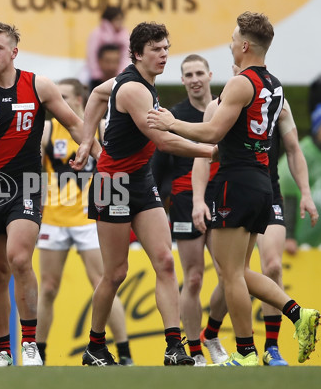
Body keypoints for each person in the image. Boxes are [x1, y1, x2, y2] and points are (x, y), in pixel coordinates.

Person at [147, 11, 321, 366]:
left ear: (244, 45)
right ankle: (296, 314)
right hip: (260, 183)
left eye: (232, 38)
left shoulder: (240, 84)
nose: (229, 44)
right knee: (239, 271)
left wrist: (171, 123)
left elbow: (212, 135)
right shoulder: (275, 84)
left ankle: (245, 351)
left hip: (235, 182)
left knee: (229, 276)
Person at [0, 20, 101, 367]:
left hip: (28, 185)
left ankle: (30, 345)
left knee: (19, 258)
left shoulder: (38, 85)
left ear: (13, 52)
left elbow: (76, 123)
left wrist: (100, 157)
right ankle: (3, 350)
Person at [72, 22, 218, 367]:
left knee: (165, 262)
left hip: (140, 179)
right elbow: (164, 141)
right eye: (156, 49)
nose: (164, 54)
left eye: (166, 48)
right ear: (137, 54)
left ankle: (173, 346)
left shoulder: (133, 81)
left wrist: (85, 138)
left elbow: (95, 95)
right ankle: (95, 345)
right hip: (112, 183)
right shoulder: (134, 89)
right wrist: (213, 152)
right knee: (116, 272)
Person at [36, 78, 134, 366]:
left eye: (65, 96)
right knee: (49, 288)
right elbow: (35, 170)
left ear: (80, 100)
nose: (58, 103)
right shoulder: (47, 129)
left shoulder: (100, 128)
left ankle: (125, 353)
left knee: (104, 281)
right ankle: (38, 355)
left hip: (89, 220)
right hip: (54, 218)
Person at [151, 54, 228, 366]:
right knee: (193, 278)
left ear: (210, 75)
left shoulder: (226, 109)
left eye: (199, 73)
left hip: (223, 197)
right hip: (184, 201)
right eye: (188, 74)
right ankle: (194, 350)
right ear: (182, 80)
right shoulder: (175, 116)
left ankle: (212, 332)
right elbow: (157, 168)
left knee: (229, 275)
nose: (195, 79)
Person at [279, 103, 321, 251]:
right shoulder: (301, 154)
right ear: (316, 130)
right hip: (301, 245)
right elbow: (288, 194)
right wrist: (289, 236)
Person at [86, 6, 129, 92]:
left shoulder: (124, 34)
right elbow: (92, 55)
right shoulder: (97, 33)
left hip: (117, 73)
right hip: (97, 74)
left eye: (121, 20)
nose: (120, 22)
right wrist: (97, 73)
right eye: (117, 19)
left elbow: (126, 55)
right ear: (109, 20)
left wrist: (122, 72)